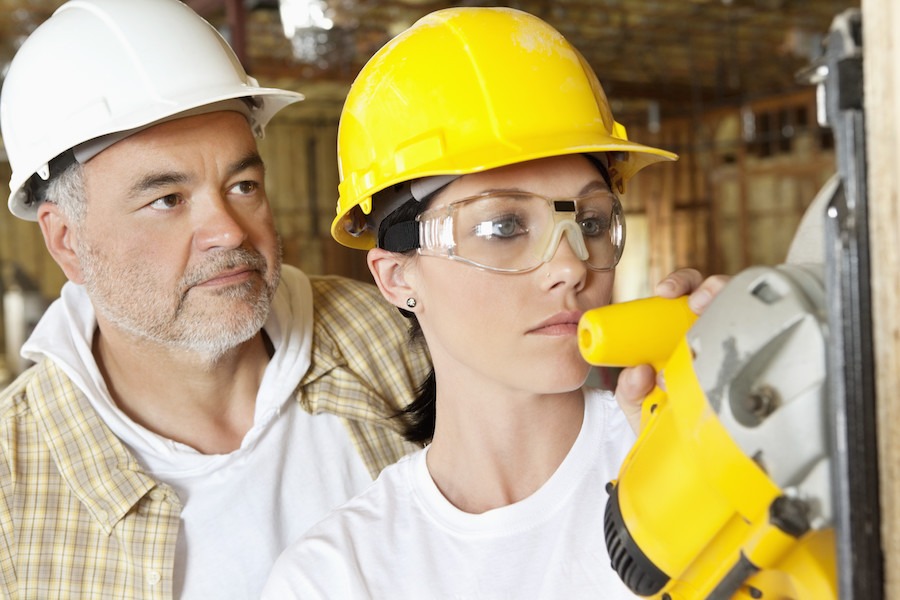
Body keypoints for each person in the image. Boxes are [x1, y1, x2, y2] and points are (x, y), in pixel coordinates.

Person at [0, 1, 714, 598]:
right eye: (166, 199)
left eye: (244, 185)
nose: (228, 229)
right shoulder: (14, 481)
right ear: (65, 242)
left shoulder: (379, 339)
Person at [261, 7, 725, 599]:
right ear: (397, 277)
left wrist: (718, 451)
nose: (571, 266)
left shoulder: (691, 450)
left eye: (590, 222)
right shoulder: (339, 577)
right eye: (504, 227)